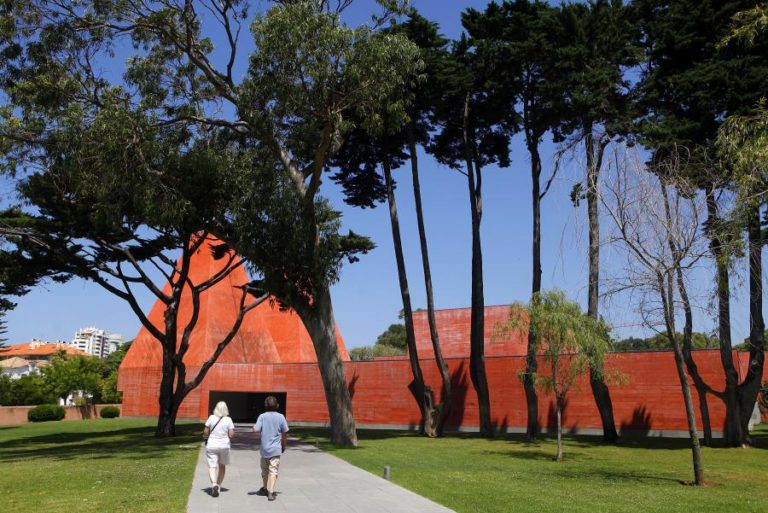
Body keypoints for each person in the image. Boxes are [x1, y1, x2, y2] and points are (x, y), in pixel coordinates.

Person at [253, 395, 289, 501]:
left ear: (265, 406)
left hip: (264, 449)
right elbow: (284, 433)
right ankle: (271, 491)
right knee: (273, 470)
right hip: (276, 449)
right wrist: (283, 445)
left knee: (264, 470)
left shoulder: (262, 416)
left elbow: (256, 429)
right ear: (277, 405)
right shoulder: (281, 417)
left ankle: (265, 488)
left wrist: (253, 428)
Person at [203, 401, 235, 498]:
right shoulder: (228, 419)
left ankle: (213, 484)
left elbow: (205, 431)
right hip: (224, 446)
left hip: (212, 445)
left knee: (212, 466)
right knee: (222, 466)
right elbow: (231, 434)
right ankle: (219, 485)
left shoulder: (211, 417)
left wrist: (205, 437)